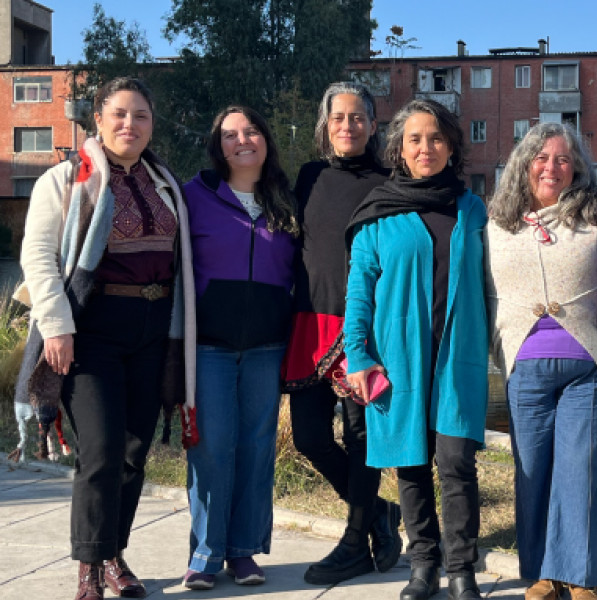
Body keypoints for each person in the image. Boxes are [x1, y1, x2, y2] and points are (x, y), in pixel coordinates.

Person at [16, 76, 195, 600]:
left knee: (135, 451)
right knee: (101, 449)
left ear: (152, 124)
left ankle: (114, 553)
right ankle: (89, 568)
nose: (129, 124)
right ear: (97, 119)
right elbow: (39, 258)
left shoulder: (165, 182)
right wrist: (57, 326)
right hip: (92, 329)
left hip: (154, 329)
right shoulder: (66, 179)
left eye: (141, 115)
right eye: (119, 113)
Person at [343, 98, 488, 600]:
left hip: (458, 354)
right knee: (410, 462)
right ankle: (423, 565)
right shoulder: (377, 214)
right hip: (398, 356)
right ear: (400, 150)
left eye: (436, 138)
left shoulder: (471, 209)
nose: (426, 147)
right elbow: (359, 290)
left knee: (456, 461)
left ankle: (462, 569)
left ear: (451, 147)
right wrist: (357, 354)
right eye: (415, 139)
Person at [280, 81, 401, 585]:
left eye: (357, 117)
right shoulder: (310, 176)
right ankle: (377, 513)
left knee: (360, 438)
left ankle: (355, 542)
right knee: (310, 438)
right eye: (338, 118)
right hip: (310, 322)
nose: (347, 126)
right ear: (325, 126)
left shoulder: (391, 180)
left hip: (362, 327)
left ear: (373, 125)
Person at [484, 122, 597, 600]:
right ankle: (542, 573)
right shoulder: (497, 225)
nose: (551, 167)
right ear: (524, 164)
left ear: (576, 167)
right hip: (524, 367)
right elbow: (486, 293)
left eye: (562, 159)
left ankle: (580, 577)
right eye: (541, 158)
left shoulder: (595, 220)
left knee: (582, 470)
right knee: (532, 470)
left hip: (586, 367)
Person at [181, 106, 298, 590]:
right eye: (230, 134)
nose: (242, 140)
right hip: (209, 346)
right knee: (211, 448)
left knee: (255, 447)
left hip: (267, 346)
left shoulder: (286, 201)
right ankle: (206, 554)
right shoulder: (193, 196)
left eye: (251, 131)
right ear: (218, 146)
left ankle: (244, 550)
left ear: (266, 140)